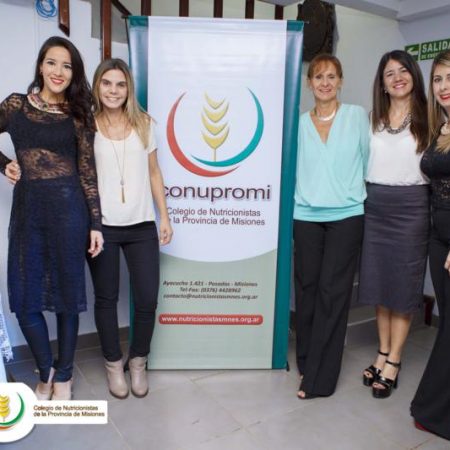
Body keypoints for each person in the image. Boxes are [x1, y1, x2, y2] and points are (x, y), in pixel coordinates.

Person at [0, 36, 103, 400]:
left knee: (66, 298)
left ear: (74, 73)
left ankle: (65, 374)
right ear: (41, 66)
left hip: (70, 213)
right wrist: (4, 164)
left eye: (67, 65)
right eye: (52, 62)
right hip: (28, 213)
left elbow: (87, 172)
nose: (59, 71)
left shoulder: (79, 114)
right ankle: (45, 371)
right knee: (25, 298)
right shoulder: (15, 105)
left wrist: (96, 224)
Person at [88, 59, 172, 399]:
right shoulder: (86, 125)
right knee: (106, 299)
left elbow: (154, 172)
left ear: (128, 89)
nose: (113, 90)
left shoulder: (145, 124)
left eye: (120, 84)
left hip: (141, 226)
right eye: (106, 83)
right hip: (102, 228)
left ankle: (138, 361)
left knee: (147, 299)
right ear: (97, 86)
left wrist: (164, 217)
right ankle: (113, 364)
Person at [293, 54, 369, 399]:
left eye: (331, 76)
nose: (325, 82)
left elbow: (368, 162)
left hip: (346, 216)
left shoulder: (356, 116)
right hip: (305, 216)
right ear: (309, 83)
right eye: (318, 76)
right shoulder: (298, 124)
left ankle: (319, 380)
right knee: (307, 291)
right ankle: (306, 361)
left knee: (332, 294)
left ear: (341, 81)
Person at [358, 50, 429, 399]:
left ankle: (395, 361)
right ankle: (382, 352)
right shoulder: (373, 119)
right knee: (379, 285)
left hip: (412, 209)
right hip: (375, 207)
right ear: (382, 83)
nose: (397, 77)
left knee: (401, 289)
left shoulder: (431, 118)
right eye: (390, 73)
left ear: (413, 76)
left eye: (403, 71)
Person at [410, 50, 450, 440]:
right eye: (437, 79)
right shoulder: (441, 128)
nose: (443, 86)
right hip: (439, 238)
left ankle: (433, 410)